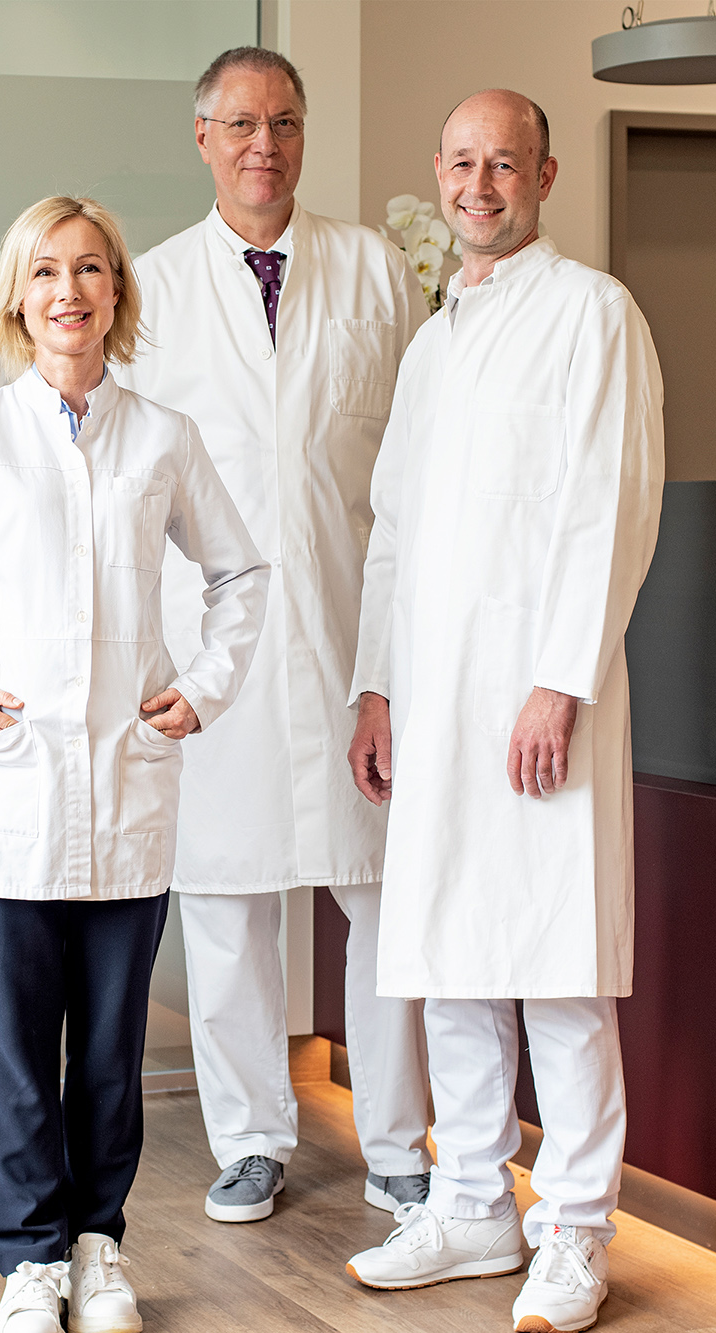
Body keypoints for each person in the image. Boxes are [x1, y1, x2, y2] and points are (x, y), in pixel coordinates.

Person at [0, 195, 267, 1333]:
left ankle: (98, 1247)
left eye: (90, 269)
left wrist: (205, 686)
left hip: (129, 784)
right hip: (14, 785)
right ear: (16, 295)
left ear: (115, 293)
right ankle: (30, 1262)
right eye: (45, 271)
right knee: (15, 1050)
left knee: (107, 1052)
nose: (68, 291)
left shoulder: (162, 436)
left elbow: (239, 573)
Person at [342, 90, 664, 1333]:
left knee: (555, 960)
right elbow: (392, 531)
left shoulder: (591, 313)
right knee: (452, 958)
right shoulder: (433, 342)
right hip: (433, 696)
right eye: (463, 164)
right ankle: (473, 1200)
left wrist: (559, 679)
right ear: (438, 174)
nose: (481, 186)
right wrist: (376, 685)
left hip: (538, 698)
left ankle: (573, 1225)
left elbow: (608, 507)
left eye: (505, 164)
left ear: (544, 175)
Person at [123, 46, 431, 1225]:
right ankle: (251, 1139)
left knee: (381, 896)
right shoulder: (151, 287)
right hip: (214, 643)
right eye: (242, 124)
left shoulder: (372, 272)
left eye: (285, 123)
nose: (265, 145)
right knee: (225, 903)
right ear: (202, 136)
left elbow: (411, 463)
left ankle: (396, 1143)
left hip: (355, 634)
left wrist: (396, 659)